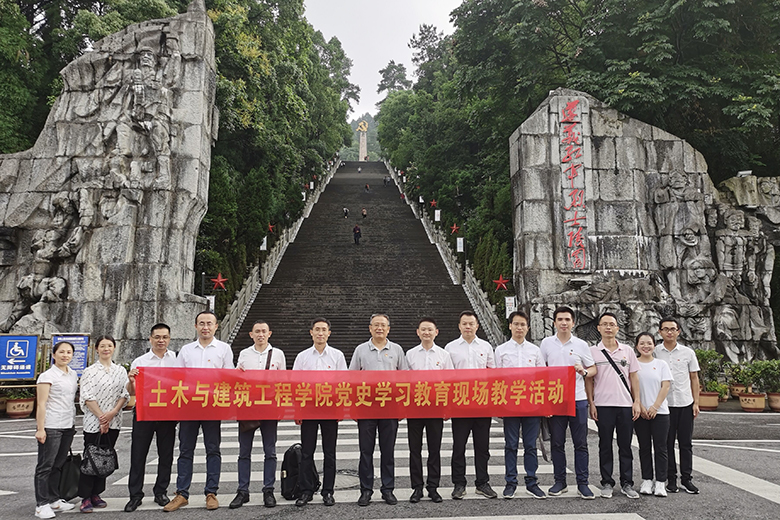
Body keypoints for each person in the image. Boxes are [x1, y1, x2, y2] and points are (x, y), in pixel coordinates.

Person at [164, 311, 234, 512]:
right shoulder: (186, 350)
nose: (205, 327)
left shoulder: (224, 349)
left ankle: (211, 493)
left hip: (212, 407)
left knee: (213, 450)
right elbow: (177, 377)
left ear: (216, 326)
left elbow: (229, 376)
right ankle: (182, 494)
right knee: (186, 450)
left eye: (209, 323)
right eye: (201, 323)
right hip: (189, 407)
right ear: (195, 326)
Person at [349, 313, 409, 506]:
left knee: (388, 451)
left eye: (383, 325)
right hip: (366, 407)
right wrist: (353, 407)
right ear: (370, 328)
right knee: (366, 451)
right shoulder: (360, 350)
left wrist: (402, 406)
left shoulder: (397, 350)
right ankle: (366, 490)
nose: (379, 328)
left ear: (388, 329)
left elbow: (405, 378)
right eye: (376, 325)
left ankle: (388, 489)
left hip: (390, 407)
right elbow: (351, 378)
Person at [539, 306, 596, 499]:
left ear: (573, 323)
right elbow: (540, 370)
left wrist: (584, 372)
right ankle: (560, 481)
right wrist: (544, 401)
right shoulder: (546, 344)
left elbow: (593, 369)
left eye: (567, 319)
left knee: (581, 443)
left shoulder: (581, 344)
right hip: (555, 399)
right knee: (557, 443)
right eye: (560, 319)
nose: (564, 323)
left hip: (578, 399)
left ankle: (583, 483)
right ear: (554, 322)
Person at [230, 320, 286, 509]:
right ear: (251, 334)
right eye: (257, 331)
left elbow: (283, 381)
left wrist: (281, 406)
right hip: (248, 407)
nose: (260, 334)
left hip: (270, 407)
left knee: (270, 452)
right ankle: (242, 491)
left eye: (264, 331)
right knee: (244, 452)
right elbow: (237, 378)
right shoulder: (244, 354)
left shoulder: (278, 354)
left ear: (269, 333)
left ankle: (268, 490)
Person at [584, 312, 641, 499]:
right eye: (604, 324)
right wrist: (591, 403)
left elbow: (634, 377)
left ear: (617, 328)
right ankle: (607, 482)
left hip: (625, 405)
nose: (608, 327)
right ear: (598, 328)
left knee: (625, 446)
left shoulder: (627, 351)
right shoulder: (592, 351)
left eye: (611, 324)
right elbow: (589, 380)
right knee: (605, 445)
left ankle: (627, 483)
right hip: (603, 405)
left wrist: (637, 402)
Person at [292, 318, 348, 507]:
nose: (320, 333)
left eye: (324, 329)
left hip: (330, 408)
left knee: (329, 452)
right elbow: (296, 384)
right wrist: (297, 410)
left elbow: (343, 383)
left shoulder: (337, 356)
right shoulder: (302, 357)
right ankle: (306, 490)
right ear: (311, 332)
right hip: (308, 408)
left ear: (329, 333)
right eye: (317, 329)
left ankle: (328, 491)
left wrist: (341, 408)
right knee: (307, 452)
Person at [125, 323, 178, 512]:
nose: (161, 340)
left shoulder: (177, 360)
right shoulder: (140, 362)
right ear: (150, 339)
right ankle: (135, 495)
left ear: (169, 339)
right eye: (157, 337)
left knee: (166, 455)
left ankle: (161, 491)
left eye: (164, 337)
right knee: (138, 455)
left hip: (167, 414)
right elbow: (131, 391)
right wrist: (131, 380)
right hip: (144, 412)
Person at [445, 311, 497, 500]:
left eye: (471, 324)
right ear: (459, 326)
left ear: (477, 326)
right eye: (464, 324)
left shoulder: (485, 346)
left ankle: (482, 483)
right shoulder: (450, 348)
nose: (468, 327)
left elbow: (493, 373)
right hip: (460, 404)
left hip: (482, 403)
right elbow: (446, 377)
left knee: (482, 446)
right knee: (459, 446)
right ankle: (459, 484)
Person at [494, 310, 546, 500]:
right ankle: (511, 483)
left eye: (523, 324)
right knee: (511, 444)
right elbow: (496, 378)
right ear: (510, 326)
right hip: (510, 404)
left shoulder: (535, 350)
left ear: (528, 328)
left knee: (531, 445)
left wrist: (543, 404)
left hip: (531, 404)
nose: (519, 327)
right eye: (516, 324)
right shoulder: (501, 350)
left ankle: (532, 482)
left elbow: (543, 377)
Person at [78, 335, 130, 513]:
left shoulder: (120, 371)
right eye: (102, 346)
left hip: (114, 420)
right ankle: (85, 496)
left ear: (114, 348)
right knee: (91, 457)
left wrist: (112, 413)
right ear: (96, 349)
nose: (106, 349)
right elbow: (87, 396)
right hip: (93, 421)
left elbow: (125, 394)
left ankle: (96, 493)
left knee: (105, 457)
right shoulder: (90, 371)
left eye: (109, 345)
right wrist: (102, 417)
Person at [405, 318, 453, 504]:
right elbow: (403, 382)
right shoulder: (410, 354)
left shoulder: (444, 355)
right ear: (418, 332)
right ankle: (417, 487)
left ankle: (433, 487)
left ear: (436, 332)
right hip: (415, 407)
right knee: (414, 449)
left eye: (430, 329)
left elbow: (450, 382)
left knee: (434, 449)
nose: (426, 332)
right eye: (423, 329)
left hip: (435, 407)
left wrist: (447, 407)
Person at [654, 317, 700, 494]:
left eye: (672, 329)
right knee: (667, 444)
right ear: (660, 332)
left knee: (685, 443)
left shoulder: (688, 352)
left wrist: (696, 402)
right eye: (665, 329)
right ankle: (671, 479)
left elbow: (694, 378)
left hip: (685, 402)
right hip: (665, 405)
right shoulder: (655, 352)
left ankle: (686, 479)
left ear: (678, 331)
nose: (669, 332)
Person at [34, 341, 78, 519]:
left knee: (58, 465)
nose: (65, 355)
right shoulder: (47, 376)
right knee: (45, 466)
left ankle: (54, 499)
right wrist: (40, 429)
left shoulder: (72, 374)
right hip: (51, 425)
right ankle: (41, 504)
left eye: (69, 352)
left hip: (68, 424)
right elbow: (41, 404)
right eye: (61, 352)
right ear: (54, 355)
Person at [634, 332, 672, 497]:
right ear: (637, 346)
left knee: (661, 447)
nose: (646, 346)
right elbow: (631, 387)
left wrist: (655, 407)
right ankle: (647, 480)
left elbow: (666, 386)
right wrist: (641, 407)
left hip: (660, 412)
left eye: (649, 343)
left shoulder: (661, 364)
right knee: (644, 447)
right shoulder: (634, 364)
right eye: (642, 343)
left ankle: (661, 482)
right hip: (640, 412)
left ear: (654, 345)